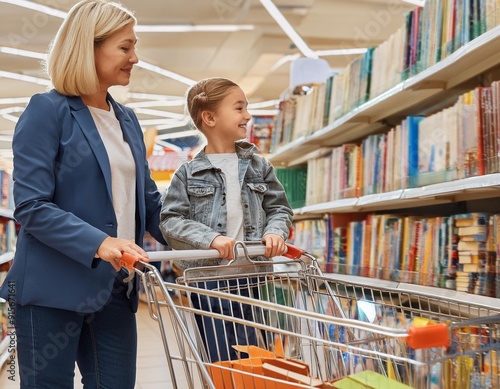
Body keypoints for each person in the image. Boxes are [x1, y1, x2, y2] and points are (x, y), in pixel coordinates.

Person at [0, 1, 167, 388]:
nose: (135, 58)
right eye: (125, 47)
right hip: (50, 290)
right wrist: (100, 242)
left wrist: (207, 238)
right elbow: (30, 205)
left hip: (114, 288)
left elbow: (150, 203)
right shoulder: (47, 111)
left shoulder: (127, 119)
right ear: (88, 48)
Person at [159, 77, 294, 362]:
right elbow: (170, 220)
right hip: (208, 281)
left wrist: (276, 233)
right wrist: (211, 239)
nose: (248, 116)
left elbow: (280, 209)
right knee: (221, 357)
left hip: (252, 279)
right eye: (239, 108)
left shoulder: (260, 166)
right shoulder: (187, 173)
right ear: (209, 117)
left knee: (255, 355)